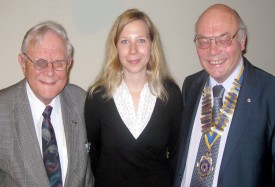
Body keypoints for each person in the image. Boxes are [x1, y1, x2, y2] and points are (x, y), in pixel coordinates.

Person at [173, 3, 275, 187]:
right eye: (204, 40)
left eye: (224, 39)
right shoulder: (190, 86)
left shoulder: (270, 93)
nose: (213, 50)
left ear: (242, 41)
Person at [85, 8, 182, 187]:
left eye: (141, 40)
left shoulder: (171, 95)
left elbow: (177, 154)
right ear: (116, 47)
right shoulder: (97, 97)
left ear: (152, 45)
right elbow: (94, 155)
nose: (133, 50)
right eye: (125, 41)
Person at [0, 21, 94, 186]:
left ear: (68, 64)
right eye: (40, 62)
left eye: (58, 62)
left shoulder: (82, 102)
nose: (50, 72)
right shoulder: (3, 109)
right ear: (23, 62)